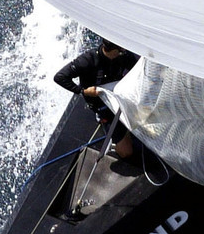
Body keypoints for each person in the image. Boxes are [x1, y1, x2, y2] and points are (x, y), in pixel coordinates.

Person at [54, 39, 141, 171]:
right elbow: (60, 77)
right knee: (126, 152)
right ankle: (113, 130)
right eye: (119, 50)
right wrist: (83, 91)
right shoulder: (88, 60)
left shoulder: (123, 56)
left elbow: (140, 65)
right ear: (111, 50)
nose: (122, 52)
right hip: (103, 105)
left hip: (122, 97)